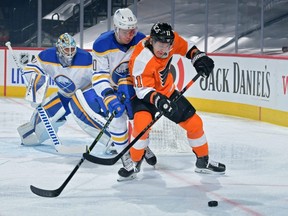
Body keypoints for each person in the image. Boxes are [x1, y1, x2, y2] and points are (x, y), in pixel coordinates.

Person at [128, 22, 226, 174]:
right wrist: (158, 100)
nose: (164, 49)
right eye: (160, 45)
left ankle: (203, 161)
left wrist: (198, 58)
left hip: (167, 92)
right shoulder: (140, 58)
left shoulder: (170, 41)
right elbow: (142, 90)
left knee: (195, 123)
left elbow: (188, 48)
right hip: (145, 97)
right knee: (141, 127)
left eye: (167, 46)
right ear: (151, 41)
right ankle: (134, 163)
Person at [91, 8, 157, 181]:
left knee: (140, 119)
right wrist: (108, 96)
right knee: (117, 122)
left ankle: (141, 146)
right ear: (116, 29)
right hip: (111, 88)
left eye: (133, 31)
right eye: (127, 31)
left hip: (134, 86)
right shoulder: (101, 44)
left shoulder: (142, 40)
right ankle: (126, 158)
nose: (131, 35)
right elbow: (99, 75)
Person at [17, 33, 111, 152]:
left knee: (85, 114)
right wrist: (35, 89)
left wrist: (104, 102)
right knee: (45, 115)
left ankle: (112, 139)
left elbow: (100, 78)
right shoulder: (47, 56)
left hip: (85, 92)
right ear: (59, 49)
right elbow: (32, 69)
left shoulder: (86, 58)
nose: (70, 53)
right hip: (65, 95)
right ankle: (31, 132)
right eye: (67, 49)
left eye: (72, 49)